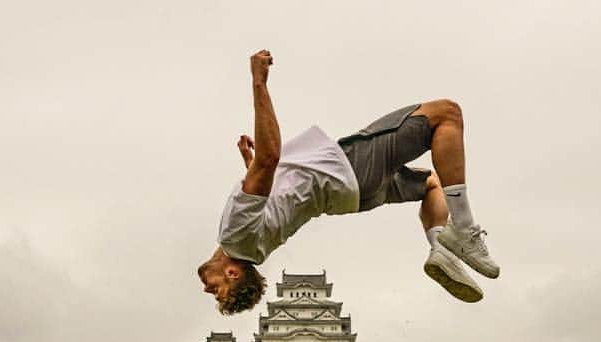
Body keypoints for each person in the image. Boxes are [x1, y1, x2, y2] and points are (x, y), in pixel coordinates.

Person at [199, 50, 501, 314]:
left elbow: (277, 198)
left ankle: (442, 249)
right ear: (233, 274)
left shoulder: (255, 250)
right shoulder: (234, 236)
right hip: (346, 169)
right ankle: (463, 230)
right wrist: (259, 82)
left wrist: (249, 167)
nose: (206, 289)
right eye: (216, 290)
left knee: (433, 184)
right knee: (447, 114)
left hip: (357, 198)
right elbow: (270, 160)